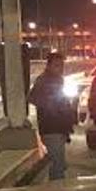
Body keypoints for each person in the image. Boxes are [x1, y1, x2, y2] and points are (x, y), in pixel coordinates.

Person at [28, 52, 74, 180]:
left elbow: (63, 102)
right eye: (57, 65)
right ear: (49, 65)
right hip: (51, 128)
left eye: (62, 65)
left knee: (60, 163)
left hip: (59, 128)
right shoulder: (43, 80)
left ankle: (56, 188)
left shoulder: (58, 80)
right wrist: (50, 107)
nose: (60, 68)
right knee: (58, 165)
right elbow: (32, 97)